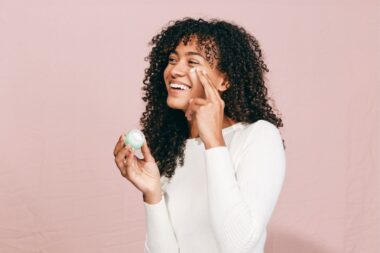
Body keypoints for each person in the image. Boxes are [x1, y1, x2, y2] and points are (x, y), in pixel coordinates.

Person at [113, 17, 286, 253]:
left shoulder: (259, 136)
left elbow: (239, 245)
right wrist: (152, 192)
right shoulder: (171, 151)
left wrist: (213, 141)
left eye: (192, 61)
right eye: (172, 60)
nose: (175, 70)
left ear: (224, 80)